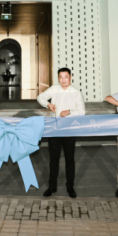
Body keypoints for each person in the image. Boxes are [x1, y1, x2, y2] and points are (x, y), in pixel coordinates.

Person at [37, 67, 85, 198]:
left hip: (69, 130)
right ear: (58, 78)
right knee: (54, 159)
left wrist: (69, 112)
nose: (63, 80)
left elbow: (82, 111)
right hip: (55, 129)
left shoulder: (76, 93)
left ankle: (70, 187)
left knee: (70, 159)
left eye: (66, 77)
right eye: (60, 77)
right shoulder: (54, 88)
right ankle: (52, 186)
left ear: (70, 78)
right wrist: (48, 105)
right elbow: (40, 97)